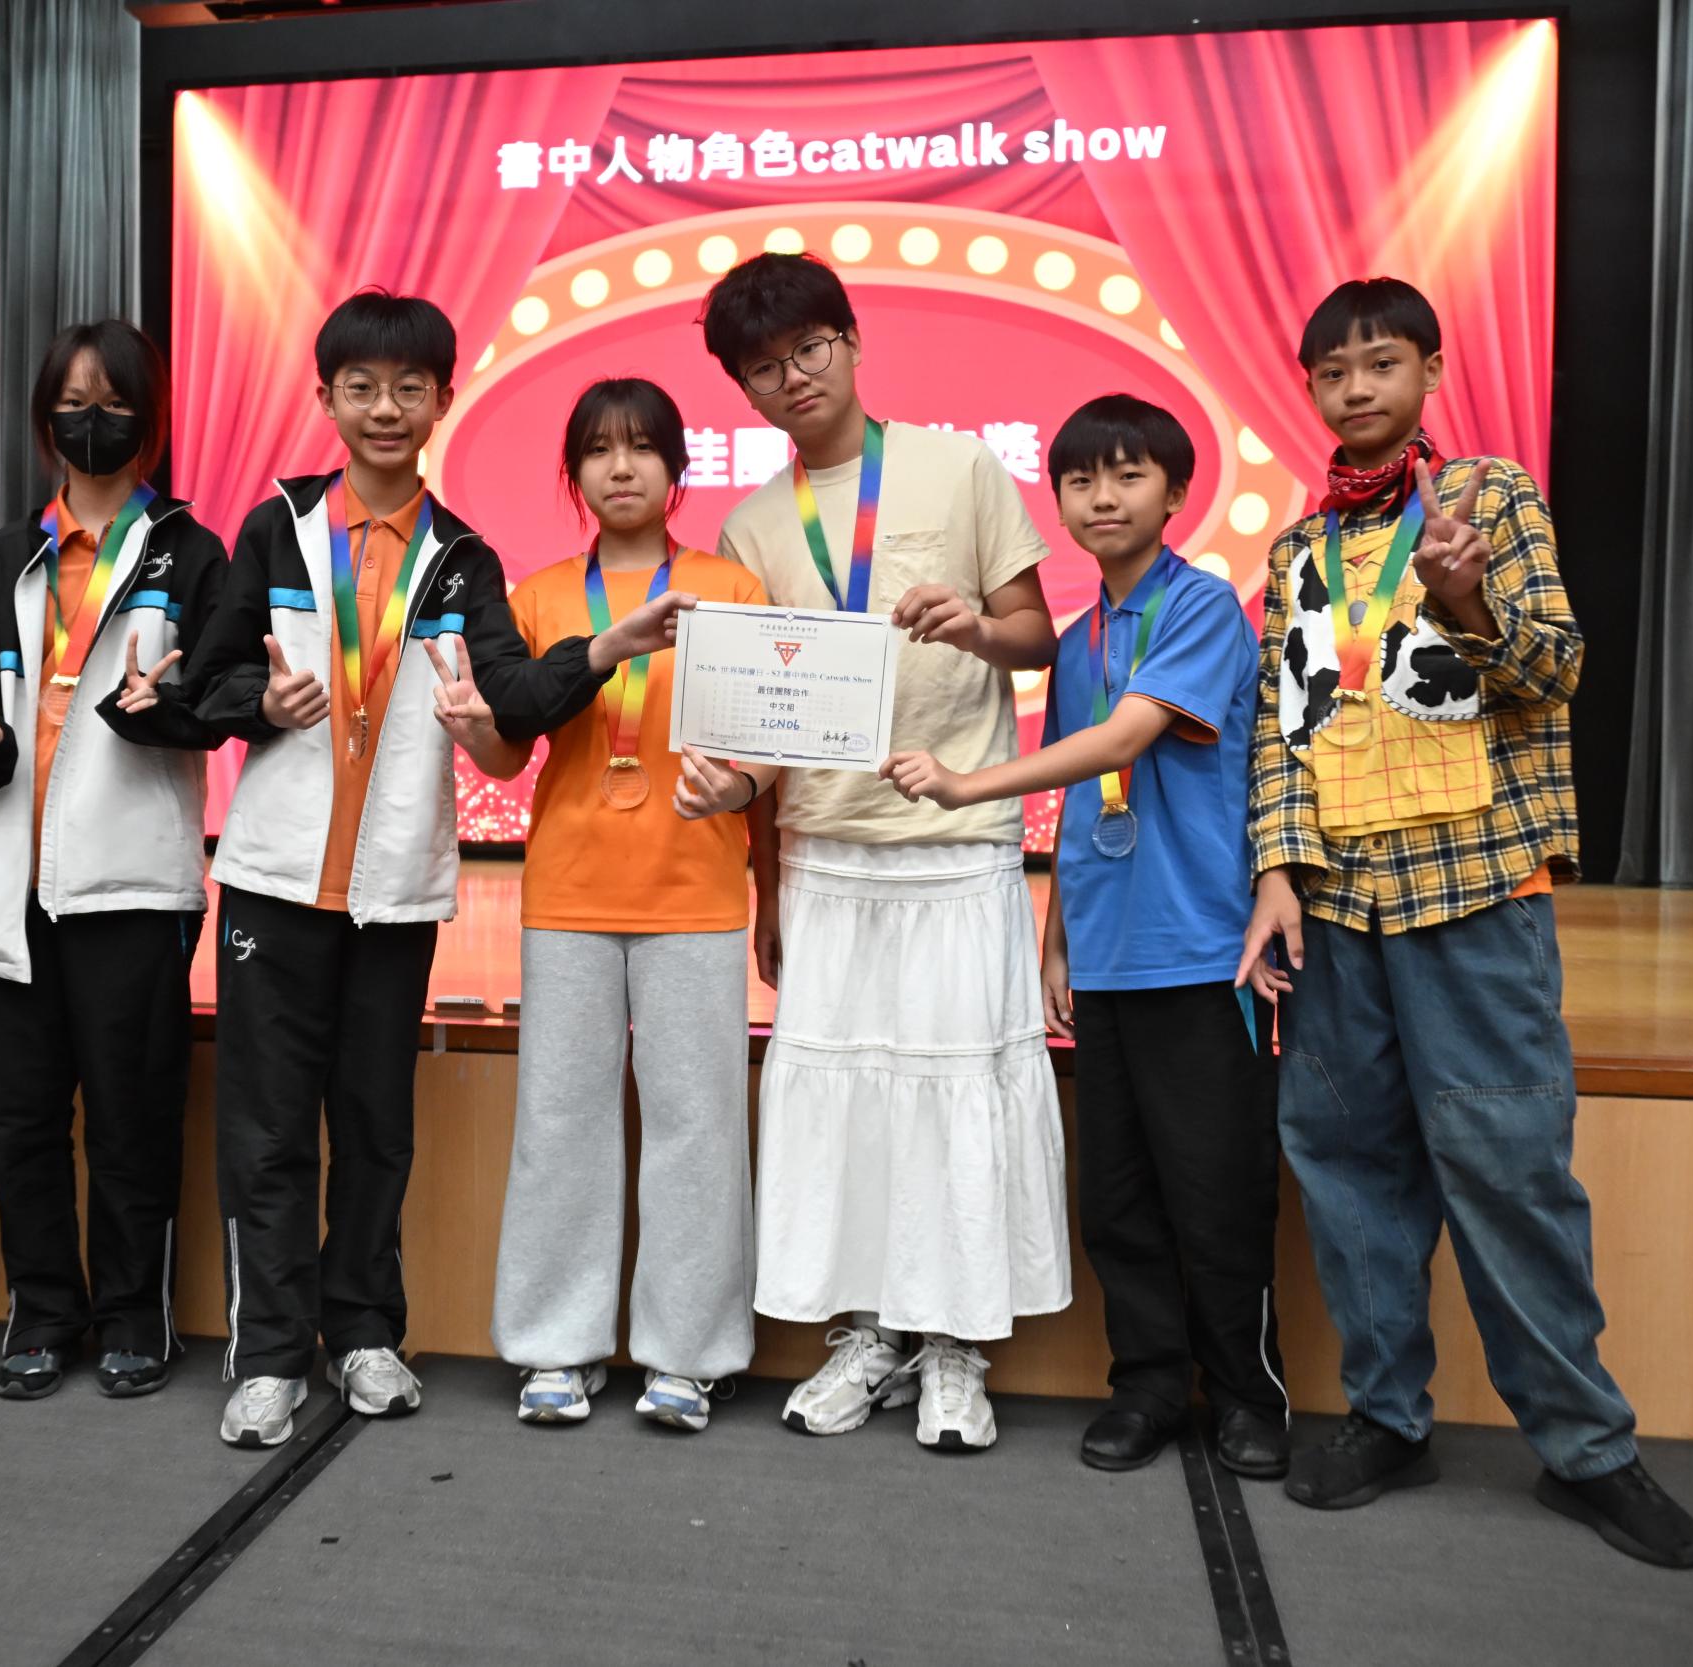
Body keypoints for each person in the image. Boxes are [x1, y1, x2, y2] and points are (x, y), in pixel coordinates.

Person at [1237, 277, 1693, 1567]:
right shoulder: (1295, 551)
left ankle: (1585, 1447)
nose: (1355, 388)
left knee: (1508, 1167)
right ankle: (1387, 1416)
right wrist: (1275, 871)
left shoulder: (1489, 498)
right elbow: (1281, 730)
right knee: (1348, 1168)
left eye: (1380, 363)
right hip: (1336, 904)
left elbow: (1557, 667)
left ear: (1431, 372)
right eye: (1331, 372)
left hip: (1473, 890)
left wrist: (1466, 605)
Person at [186, 289, 690, 1449]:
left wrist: (603, 648)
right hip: (272, 882)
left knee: (375, 1124)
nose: (385, 408)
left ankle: (365, 1333)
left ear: (442, 401)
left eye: (409, 388)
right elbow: (206, 686)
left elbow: (511, 695)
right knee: (267, 1128)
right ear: (325, 397)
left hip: (396, 891)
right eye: (361, 387)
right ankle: (268, 1354)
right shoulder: (275, 531)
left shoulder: (461, 559)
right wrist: (259, 702)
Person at [697, 252, 1065, 1452]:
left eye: (809, 348)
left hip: (955, 842)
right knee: (844, 1114)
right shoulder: (750, 524)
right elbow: (756, 722)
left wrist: (979, 626)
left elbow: (1037, 635)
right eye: (763, 367)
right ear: (742, 389)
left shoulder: (960, 468)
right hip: (824, 852)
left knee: (953, 1097)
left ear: (851, 340)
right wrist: (760, 874)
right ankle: (866, 1332)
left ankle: (954, 1345)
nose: (792, 378)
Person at [880, 394, 1288, 1477]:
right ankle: (1146, 1387)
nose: (1102, 496)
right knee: (1118, 1196)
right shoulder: (1075, 640)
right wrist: (1058, 937)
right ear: (1056, 500)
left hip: (1206, 952)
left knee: (1216, 1190)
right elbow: (1084, 801)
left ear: (1178, 491)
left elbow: (1121, 740)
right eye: (1079, 480)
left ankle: (1247, 1396)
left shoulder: (1202, 605)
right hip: (1106, 956)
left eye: (1128, 474)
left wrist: (966, 783)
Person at [0, 319, 227, 1402]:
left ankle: (136, 1314)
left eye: (116, 402)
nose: (93, 419)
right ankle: (42, 1309)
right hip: (8, 890)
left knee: (135, 1114)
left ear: (150, 421)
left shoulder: (189, 554)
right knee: (21, 1118)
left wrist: (169, 706)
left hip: (131, 886)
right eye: (74, 400)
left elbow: (225, 693)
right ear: (46, 417)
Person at [478, 378, 772, 1431]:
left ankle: (688, 1353)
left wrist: (739, 786)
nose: (621, 467)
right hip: (568, 888)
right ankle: (556, 1344)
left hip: (695, 888)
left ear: (678, 468)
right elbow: (508, 748)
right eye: (598, 450)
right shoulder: (539, 596)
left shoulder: (731, 589)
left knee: (698, 1125)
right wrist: (475, 728)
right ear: (573, 473)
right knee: (559, 1119)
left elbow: (767, 739)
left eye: (643, 447)